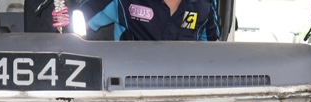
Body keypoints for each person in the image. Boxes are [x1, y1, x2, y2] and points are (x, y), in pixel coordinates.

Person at [79, 0, 220, 41]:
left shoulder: (205, 4)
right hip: (131, 88)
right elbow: (74, 22)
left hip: (186, 90)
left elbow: (213, 50)